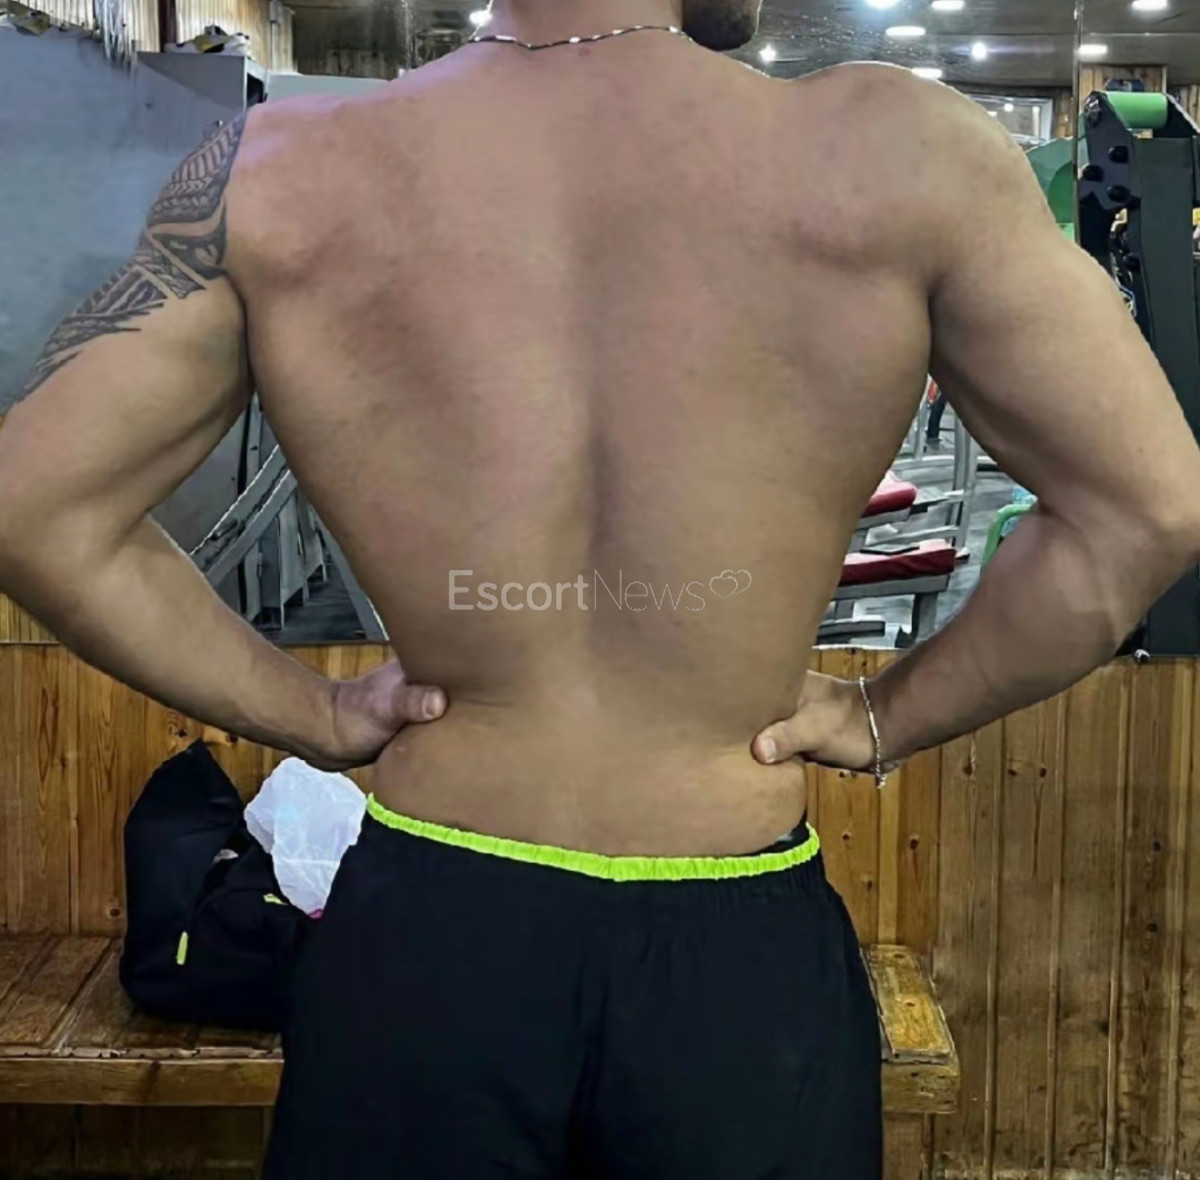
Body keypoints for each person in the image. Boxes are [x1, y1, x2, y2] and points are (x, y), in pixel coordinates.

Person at [2, 0, 1199, 1173]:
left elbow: (33, 510)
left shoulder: (278, 168)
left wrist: (312, 714)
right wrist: (885, 715)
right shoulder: (903, 152)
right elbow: (1148, 509)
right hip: (733, 968)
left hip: (427, 943)